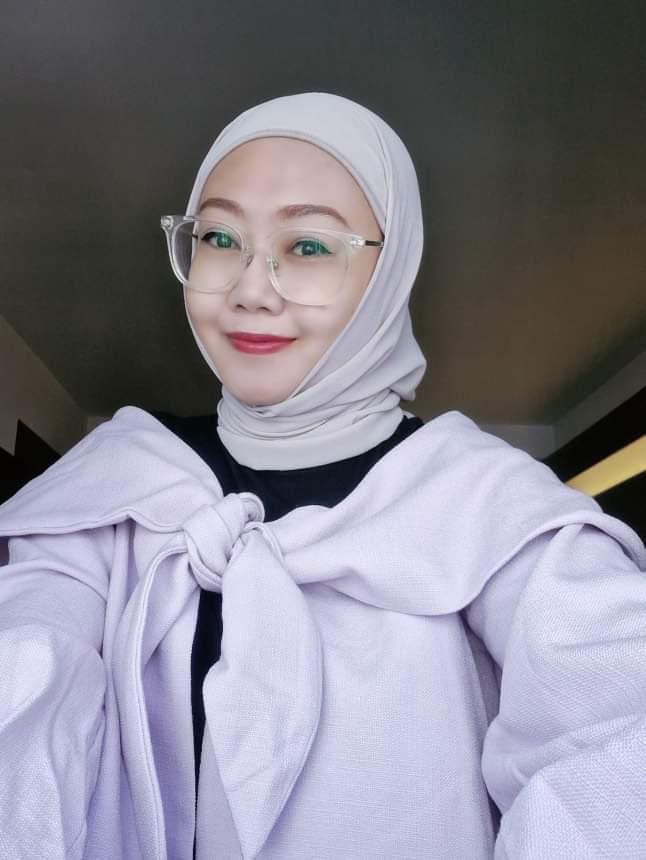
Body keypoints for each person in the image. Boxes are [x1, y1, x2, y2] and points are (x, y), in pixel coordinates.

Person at [0, 93, 644, 860]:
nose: (250, 289)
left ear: (390, 270)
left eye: (307, 246)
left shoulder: (487, 502)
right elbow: (26, 677)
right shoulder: (116, 477)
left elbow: (618, 728)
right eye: (219, 237)